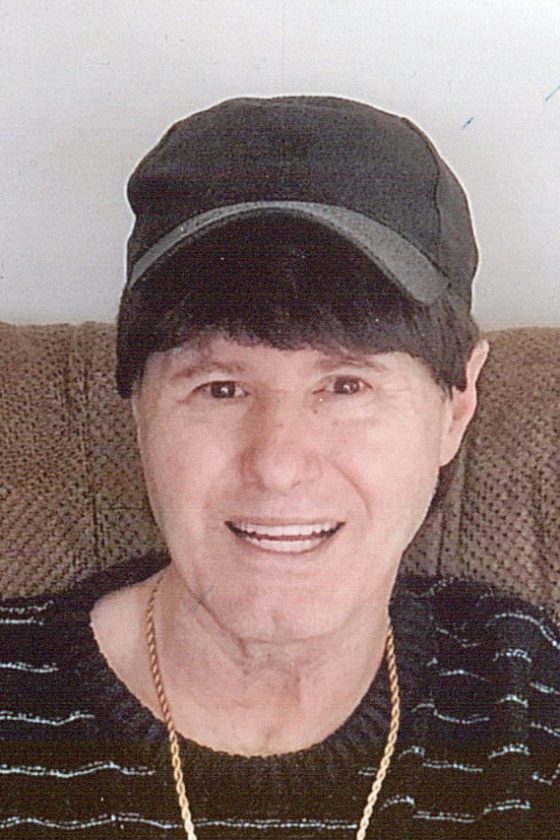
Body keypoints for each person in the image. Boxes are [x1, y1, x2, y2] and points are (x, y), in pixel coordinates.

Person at [1, 96, 559, 839]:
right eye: (220, 388)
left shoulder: (529, 696)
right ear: (138, 408)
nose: (278, 466)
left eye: (347, 385)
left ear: (456, 407)